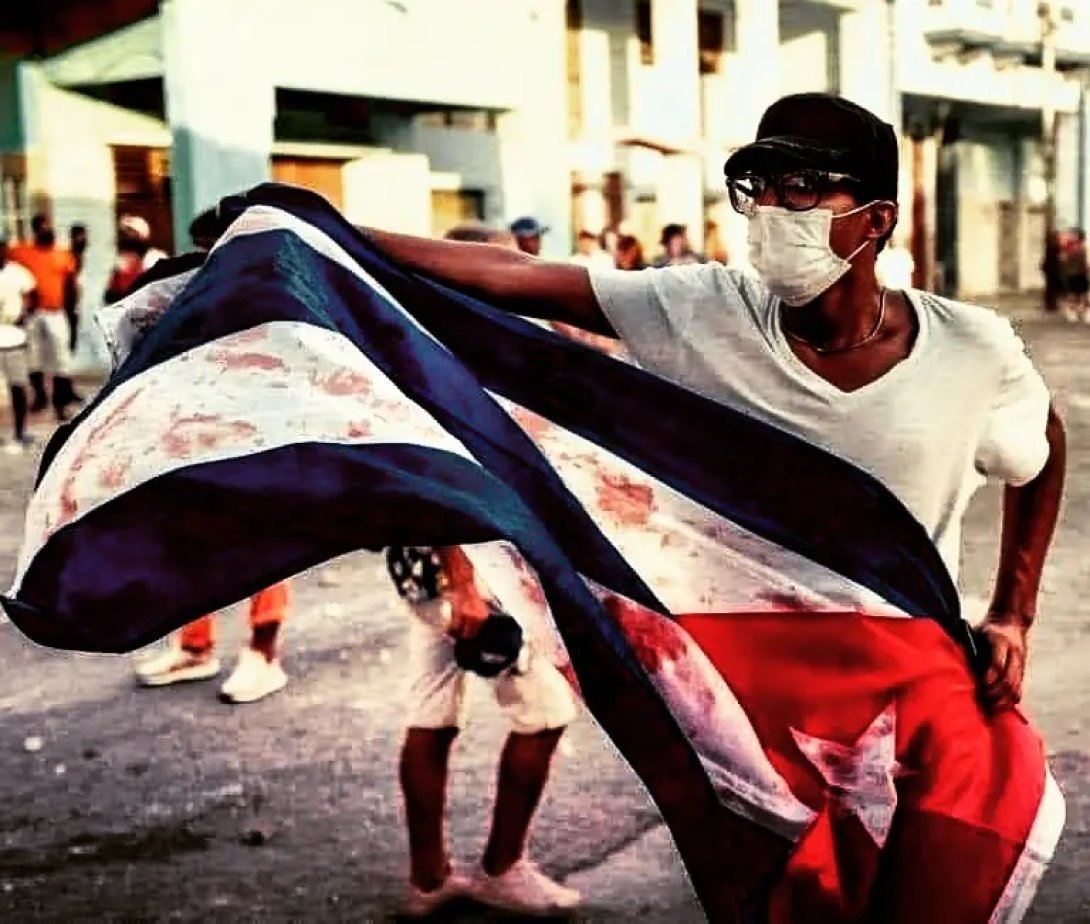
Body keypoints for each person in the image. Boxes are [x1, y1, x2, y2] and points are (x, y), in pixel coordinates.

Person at [362, 90, 1064, 725]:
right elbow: (515, 274)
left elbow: (1043, 442)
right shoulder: (705, 307)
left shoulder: (969, 347)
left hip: (905, 684)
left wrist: (1013, 611)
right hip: (747, 705)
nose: (772, 210)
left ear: (876, 220)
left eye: (803, 188)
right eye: (760, 188)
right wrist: (329, 230)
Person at [387, 223, 581, 918]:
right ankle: (503, 867)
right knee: (546, 714)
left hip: (426, 567)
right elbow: (443, 473)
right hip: (469, 568)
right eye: (500, 265)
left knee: (432, 709)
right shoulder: (450, 356)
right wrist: (465, 582)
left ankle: (428, 880)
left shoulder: (418, 343)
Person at [132, 207, 291, 705]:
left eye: (214, 246)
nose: (207, 257)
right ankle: (195, 647)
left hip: (260, 440)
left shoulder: (275, 293)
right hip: (200, 437)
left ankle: (264, 654)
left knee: (264, 548)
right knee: (190, 543)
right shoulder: (198, 295)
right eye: (202, 247)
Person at [9, 214, 81, 420]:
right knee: (33, 357)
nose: (47, 230)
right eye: (42, 227)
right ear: (35, 230)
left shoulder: (62, 254)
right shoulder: (22, 252)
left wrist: (72, 310)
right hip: (32, 313)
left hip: (56, 311)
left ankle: (61, 402)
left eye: (49, 226)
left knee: (61, 357)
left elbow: (71, 283)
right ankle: (40, 396)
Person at [0, 236, 37, 452]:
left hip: (14, 338)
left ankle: (20, 432)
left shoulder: (17, 272)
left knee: (18, 387)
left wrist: (26, 313)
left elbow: (32, 293)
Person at [105, 214, 168, 304]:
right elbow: (111, 296)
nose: (128, 237)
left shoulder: (156, 259)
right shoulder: (120, 265)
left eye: (131, 233)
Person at [67, 223, 88, 352]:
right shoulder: (70, 255)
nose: (84, 239)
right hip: (70, 301)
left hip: (77, 301)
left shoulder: (80, 255)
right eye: (81, 236)